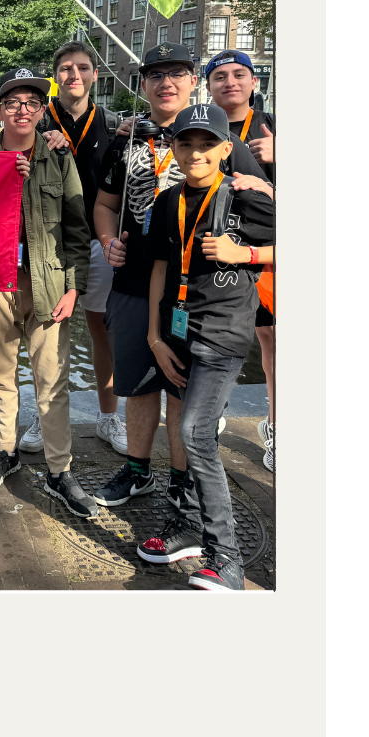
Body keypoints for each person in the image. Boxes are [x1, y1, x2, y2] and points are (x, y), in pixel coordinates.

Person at [92, 42, 268, 510]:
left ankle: (181, 479)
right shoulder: (127, 139)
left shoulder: (222, 141)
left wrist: (248, 244)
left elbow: (268, 201)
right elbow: (105, 204)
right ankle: (137, 471)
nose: (166, 82)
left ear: (193, 81)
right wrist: (108, 240)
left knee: (183, 391)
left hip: (199, 296)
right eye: (155, 74)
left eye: (176, 73)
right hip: (134, 282)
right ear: (143, 84)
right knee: (138, 383)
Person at [137, 103, 274, 590]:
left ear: (225, 149)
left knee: (194, 433)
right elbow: (159, 267)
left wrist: (246, 253)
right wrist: (154, 336)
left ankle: (227, 559)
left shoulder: (245, 196)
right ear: (174, 148)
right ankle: (190, 525)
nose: (195, 153)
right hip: (176, 333)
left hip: (222, 334)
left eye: (206, 144)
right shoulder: (168, 200)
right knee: (194, 430)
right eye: (186, 143)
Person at [0, 68, 94, 513]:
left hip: (48, 284)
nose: (23, 110)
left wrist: (74, 288)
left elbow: (77, 228)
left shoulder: (59, 156)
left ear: (42, 111)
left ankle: (60, 470)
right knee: (1, 376)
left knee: (52, 381)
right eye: (13, 103)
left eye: (32, 103)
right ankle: (6, 451)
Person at [36, 42, 128, 456]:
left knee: (101, 331)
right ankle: (45, 417)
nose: (74, 75)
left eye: (83, 68)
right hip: (47, 242)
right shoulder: (37, 118)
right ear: (55, 74)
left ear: (95, 74)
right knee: (46, 335)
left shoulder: (114, 124)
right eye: (66, 68)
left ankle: (108, 416)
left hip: (97, 240)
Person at [204, 49, 276, 471]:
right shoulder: (199, 127)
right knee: (214, 341)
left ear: (254, 82)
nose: (230, 82)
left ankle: (275, 425)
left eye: (239, 74)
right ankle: (211, 415)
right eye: (220, 76)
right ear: (208, 86)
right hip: (213, 257)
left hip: (263, 256)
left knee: (272, 342)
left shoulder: (275, 129)